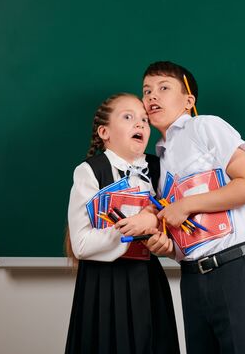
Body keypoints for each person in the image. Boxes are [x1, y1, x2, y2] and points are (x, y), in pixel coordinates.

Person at [142, 61, 245, 354]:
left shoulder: (204, 126)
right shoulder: (157, 164)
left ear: (189, 100)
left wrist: (185, 205)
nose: (152, 97)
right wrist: (169, 249)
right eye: (146, 91)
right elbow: (187, 238)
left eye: (163, 88)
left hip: (233, 270)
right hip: (191, 279)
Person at [65, 93, 180, 354]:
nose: (140, 124)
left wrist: (162, 236)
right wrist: (130, 230)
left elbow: (172, 223)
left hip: (148, 281)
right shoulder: (90, 171)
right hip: (103, 285)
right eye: (128, 117)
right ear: (104, 132)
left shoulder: (159, 168)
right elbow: (81, 245)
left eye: (144, 120)